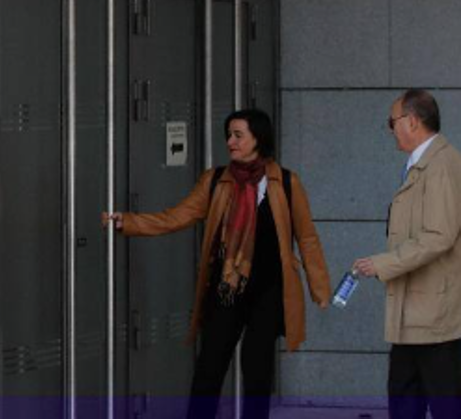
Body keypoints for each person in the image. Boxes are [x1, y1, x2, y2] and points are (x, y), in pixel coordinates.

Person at [103, 109, 330, 419]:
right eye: (229, 135)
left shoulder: (286, 183)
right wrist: (126, 222)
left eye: (238, 135)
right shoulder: (215, 181)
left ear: (258, 139)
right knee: (209, 366)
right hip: (227, 287)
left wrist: (320, 289)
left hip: (269, 288)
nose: (230, 142)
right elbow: (176, 216)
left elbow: (307, 238)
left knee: (257, 366)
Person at [353, 89, 461, 419]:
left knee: (442, 405)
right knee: (403, 400)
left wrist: (384, 263)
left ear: (412, 121)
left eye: (392, 122)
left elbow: (439, 235)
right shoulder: (422, 163)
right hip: (414, 313)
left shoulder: (441, 165)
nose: (390, 129)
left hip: (435, 316)